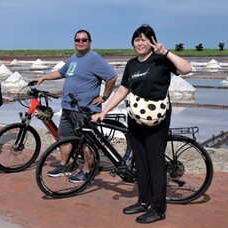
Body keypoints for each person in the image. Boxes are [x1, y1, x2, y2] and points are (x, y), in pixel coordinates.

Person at [92, 24, 192, 224]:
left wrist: (166, 52)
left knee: (155, 162)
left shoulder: (161, 60)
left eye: (144, 39)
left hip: (157, 120)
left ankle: (158, 208)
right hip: (135, 118)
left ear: (152, 41)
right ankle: (144, 200)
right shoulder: (132, 64)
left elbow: (187, 69)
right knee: (140, 160)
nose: (140, 42)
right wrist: (104, 111)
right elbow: (122, 91)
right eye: (137, 39)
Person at [36, 29, 117, 183]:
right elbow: (61, 73)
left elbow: (111, 77)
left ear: (90, 42)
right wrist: (44, 77)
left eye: (84, 40)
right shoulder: (74, 57)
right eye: (77, 40)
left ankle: (87, 171)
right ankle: (64, 165)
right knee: (64, 138)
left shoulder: (94, 58)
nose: (80, 42)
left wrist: (104, 97)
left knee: (87, 142)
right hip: (68, 108)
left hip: (85, 109)